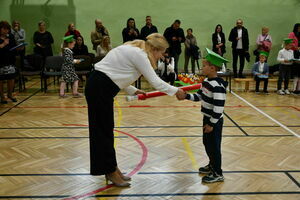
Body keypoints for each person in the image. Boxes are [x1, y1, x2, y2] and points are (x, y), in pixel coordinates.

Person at [85, 33, 185, 187]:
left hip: (100, 86)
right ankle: (110, 171)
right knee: (102, 131)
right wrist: (176, 91)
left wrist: (132, 90)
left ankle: (112, 168)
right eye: (161, 53)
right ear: (154, 49)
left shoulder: (134, 49)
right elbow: (156, 82)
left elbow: (115, 72)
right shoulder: (140, 54)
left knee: (106, 129)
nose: (161, 57)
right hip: (99, 88)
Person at [177, 48, 228, 183]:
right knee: (207, 143)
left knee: (214, 146)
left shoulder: (217, 86)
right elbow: (199, 96)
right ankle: (212, 164)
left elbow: (219, 107)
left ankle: (218, 173)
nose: (202, 67)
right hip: (207, 118)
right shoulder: (206, 81)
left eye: (204, 65)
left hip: (214, 121)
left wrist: (211, 124)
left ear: (212, 68)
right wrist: (186, 96)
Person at [0, 21, 18, 104]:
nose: (6, 31)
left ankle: (10, 94)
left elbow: (14, 46)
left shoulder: (10, 36)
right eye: (4, 29)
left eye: (7, 29)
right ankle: (2, 97)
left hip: (10, 60)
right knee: (1, 79)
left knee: (11, 78)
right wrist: (3, 44)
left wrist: (19, 48)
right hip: (1, 61)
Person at [288, 23, 300, 94]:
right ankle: (293, 88)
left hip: (298, 51)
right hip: (292, 51)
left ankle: (298, 89)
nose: (299, 29)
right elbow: (289, 42)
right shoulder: (292, 34)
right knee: (294, 66)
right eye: (298, 27)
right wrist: (295, 47)